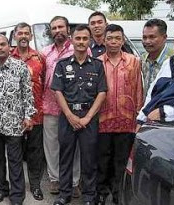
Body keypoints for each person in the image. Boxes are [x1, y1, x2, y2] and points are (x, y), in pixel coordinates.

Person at [51, 24, 107, 205]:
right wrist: (69, 115)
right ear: (71, 40)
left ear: (89, 40)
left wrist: (88, 117)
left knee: (89, 159)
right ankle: (64, 194)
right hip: (68, 117)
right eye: (78, 38)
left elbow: (102, 92)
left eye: (85, 38)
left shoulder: (98, 65)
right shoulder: (62, 65)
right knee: (65, 157)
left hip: (89, 117)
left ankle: (89, 197)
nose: (81, 42)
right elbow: (58, 92)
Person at [0, 34, 35, 205]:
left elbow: (28, 93)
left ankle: (16, 196)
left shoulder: (20, 66)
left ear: (9, 46)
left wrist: (28, 116)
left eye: (2, 44)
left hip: (14, 123)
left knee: (15, 161)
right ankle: (1, 190)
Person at [97, 24, 143, 205]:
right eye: (110, 38)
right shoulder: (97, 62)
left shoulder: (134, 61)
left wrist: (138, 115)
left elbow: (138, 89)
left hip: (127, 121)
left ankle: (118, 195)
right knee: (102, 160)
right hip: (102, 121)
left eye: (117, 38)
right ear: (104, 40)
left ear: (123, 40)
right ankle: (101, 193)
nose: (114, 42)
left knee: (121, 161)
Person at [42, 16, 82, 197]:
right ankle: (55, 179)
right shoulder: (45, 53)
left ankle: (74, 182)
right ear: (51, 32)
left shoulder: (79, 49)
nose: (58, 30)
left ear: (68, 29)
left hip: (73, 108)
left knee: (74, 147)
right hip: (50, 106)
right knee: (52, 145)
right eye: (54, 28)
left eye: (61, 27)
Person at [11, 22, 46, 201]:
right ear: (15, 35)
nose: (23, 36)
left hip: (36, 113)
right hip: (13, 115)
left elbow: (46, 83)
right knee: (15, 152)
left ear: (31, 36)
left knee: (35, 152)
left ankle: (35, 185)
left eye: (27, 33)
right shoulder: (7, 57)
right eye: (20, 33)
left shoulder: (39, 58)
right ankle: (16, 188)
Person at [141, 19, 174, 97]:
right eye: (144, 37)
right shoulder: (142, 59)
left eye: (152, 37)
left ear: (164, 37)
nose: (147, 41)